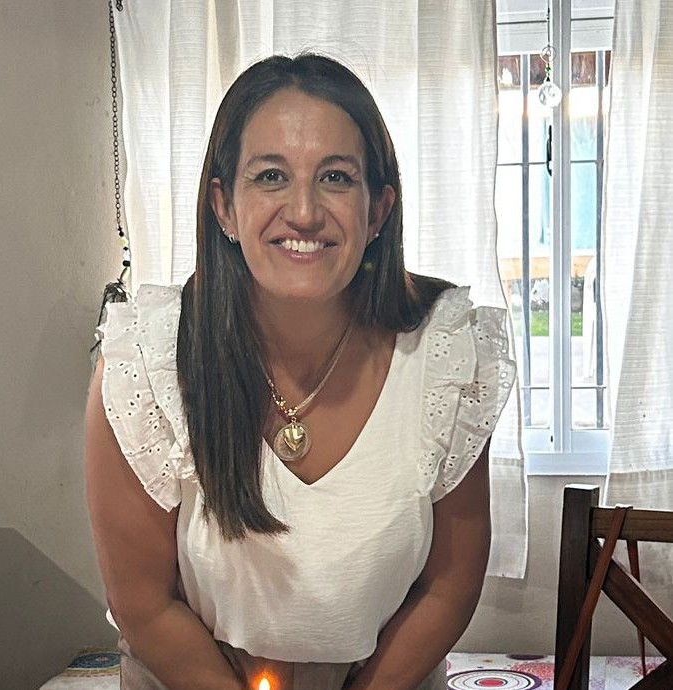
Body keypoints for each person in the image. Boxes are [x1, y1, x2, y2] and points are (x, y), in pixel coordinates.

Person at [85, 53, 515, 690]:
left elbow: (448, 586)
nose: (305, 212)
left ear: (378, 211)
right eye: (271, 177)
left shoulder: (447, 355)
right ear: (224, 206)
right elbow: (143, 604)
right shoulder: (145, 363)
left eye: (336, 177)